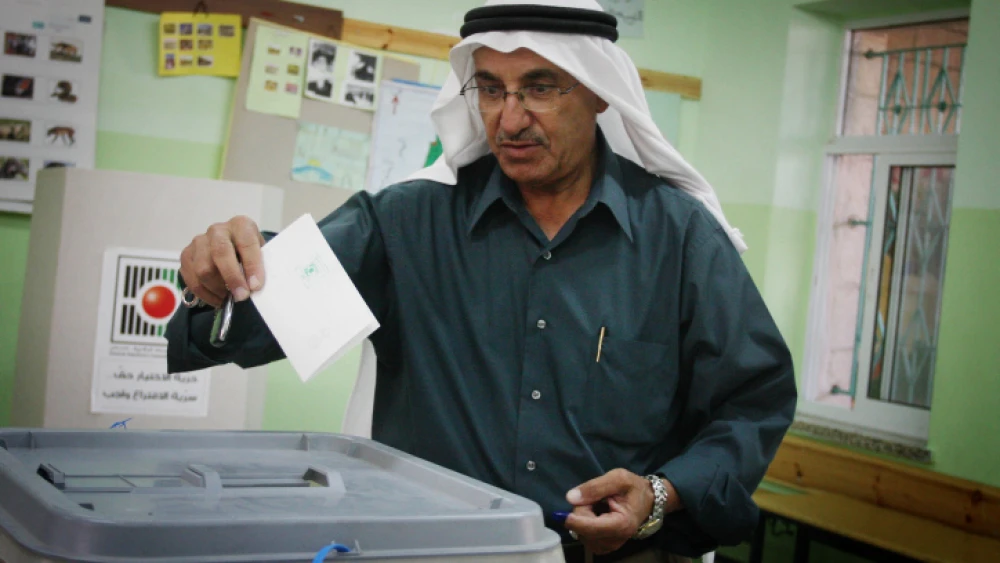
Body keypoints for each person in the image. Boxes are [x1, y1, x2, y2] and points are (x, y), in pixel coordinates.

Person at [166, 1, 797, 561]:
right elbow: (251, 312)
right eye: (491, 90)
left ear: (600, 92)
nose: (509, 119)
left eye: (539, 88)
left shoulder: (679, 239)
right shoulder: (404, 224)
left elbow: (751, 400)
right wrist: (212, 279)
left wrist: (661, 495)